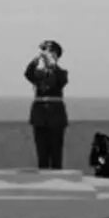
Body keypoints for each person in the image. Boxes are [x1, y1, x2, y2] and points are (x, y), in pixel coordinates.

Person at [25, 40, 68, 169]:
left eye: (51, 52)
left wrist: (52, 63)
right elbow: (28, 73)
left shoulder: (61, 72)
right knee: (41, 151)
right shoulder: (38, 74)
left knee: (56, 152)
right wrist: (37, 59)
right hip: (40, 117)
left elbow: (61, 80)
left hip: (56, 116)